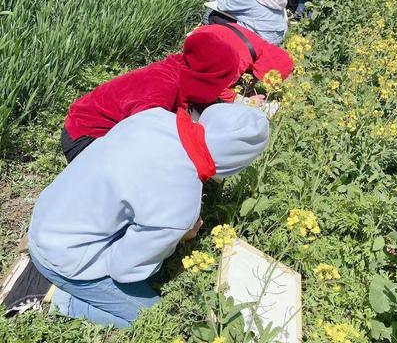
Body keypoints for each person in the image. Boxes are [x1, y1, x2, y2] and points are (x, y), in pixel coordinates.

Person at [29, 103, 270, 328]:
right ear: (236, 162)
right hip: (61, 257)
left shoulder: (154, 116)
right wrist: (178, 240)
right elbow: (124, 270)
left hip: (47, 215)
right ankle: (59, 297)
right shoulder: (180, 202)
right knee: (155, 318)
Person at [61, 32, 240, 162]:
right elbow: (144, 135)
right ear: (208, 78)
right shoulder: (162, 86)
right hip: (86, 137)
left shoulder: (182, 70)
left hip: (103, 131)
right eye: (221, 81)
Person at [191, 23, 294, 102]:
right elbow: (217, 87)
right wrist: (244, 101)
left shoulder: (258, 44)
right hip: (196, 48)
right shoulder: (241, 60)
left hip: (206, 31)